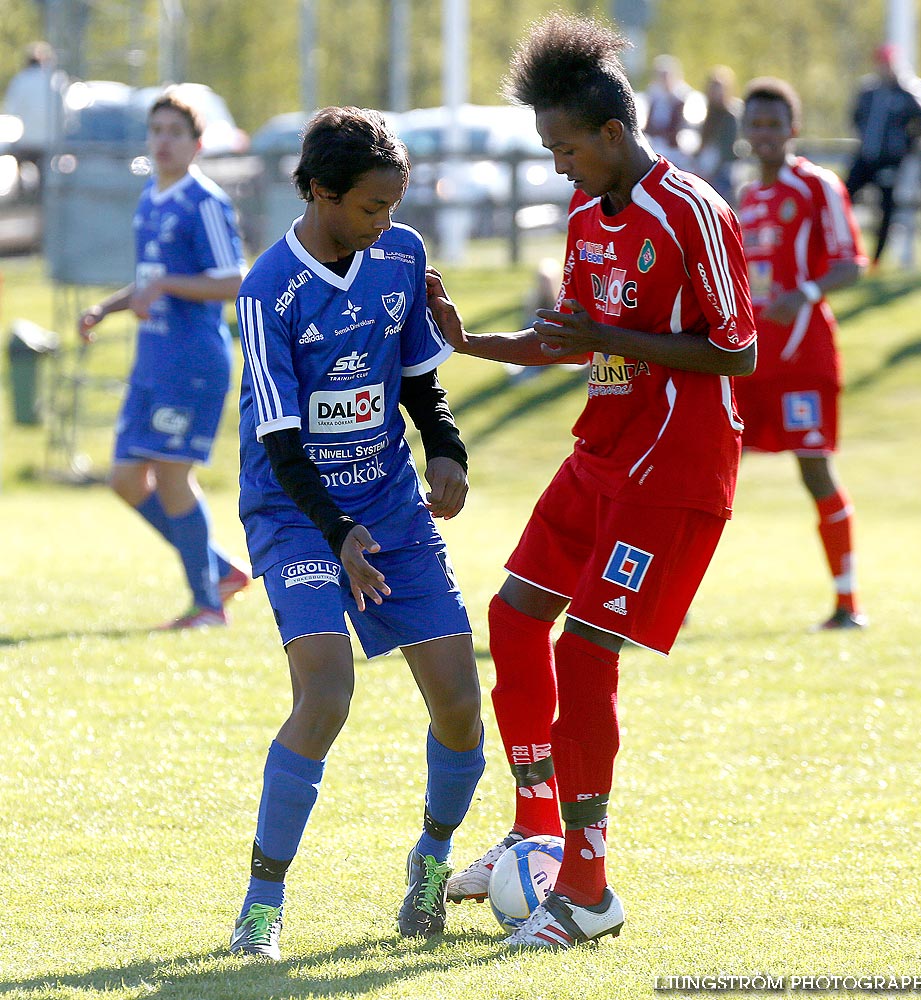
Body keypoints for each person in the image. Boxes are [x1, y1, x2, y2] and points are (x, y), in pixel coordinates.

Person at [426, 14, 756, 950]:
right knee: (514, 617)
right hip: (600, 451)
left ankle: (588, 888)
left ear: (611, 134)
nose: (557, 166)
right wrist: (474, 342)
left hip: (676, 469)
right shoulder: (583, 216)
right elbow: (575, 336)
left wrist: (609, 339)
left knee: (583, 652)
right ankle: (534, 830)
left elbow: (734, 351)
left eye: (564, 148)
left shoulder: (689, 209)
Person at [229, 106, 484, 960]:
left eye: (394, 205)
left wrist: (443, 447)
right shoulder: (268, 291)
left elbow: (417, 380)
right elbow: (279, 439)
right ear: (319, 193)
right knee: (326, 696)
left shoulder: (401, 256)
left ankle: (430, 860)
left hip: (388, 506)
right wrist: (334, 530)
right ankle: (261, 907)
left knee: (458, 705)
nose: (386, 223)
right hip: (295, 514)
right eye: (371, 208)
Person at [78, 89, 250, 629]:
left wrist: (168, 285)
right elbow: (152, 282)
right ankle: (218, 569)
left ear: (197, 144)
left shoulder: (205, 202)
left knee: (173, 476)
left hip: (192, 361)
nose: (163, 141)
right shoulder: (151, 198)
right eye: (157, 131)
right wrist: (107, 308)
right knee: (127, 480)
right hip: (152, 361)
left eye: (176, 132)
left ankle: (207, 606)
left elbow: (233, 281)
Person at [738, 77, 869, 630]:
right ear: (746, 131)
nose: (766, 134)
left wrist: (805, 294)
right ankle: (674, 604)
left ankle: (847, 602)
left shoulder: (818, 187)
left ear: (793, 129)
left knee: (815, 470)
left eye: (775, 124)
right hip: (745, 361)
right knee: (706, 471)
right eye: (757, 124)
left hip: (803, 358)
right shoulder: (743, 197)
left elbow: (851, 263)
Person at [845, 44, 921, 268]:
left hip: (890, 161)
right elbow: (856, 117)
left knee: (886, 209)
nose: (885, 68)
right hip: (865, 157)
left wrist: (906, 144)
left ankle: (875, 261)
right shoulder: (868, 90)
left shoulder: (909, 90)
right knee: (843, 196)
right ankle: (843, 251)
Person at [2, 40, 65, 186]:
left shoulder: (20, 80)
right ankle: (43, 196)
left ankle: (23, 194)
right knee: (45, 171)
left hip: (27, 140)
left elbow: (11, 110)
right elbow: (63, 113)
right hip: (51, 141)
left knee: (21, 161)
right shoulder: (55, 79)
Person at [694, 65, 743, 205]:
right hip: (707, 169)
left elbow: (726, 150)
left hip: (725, 172)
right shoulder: (708, 115)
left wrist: (710, 173)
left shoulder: (730, 116)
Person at [641, 53, 699, 166]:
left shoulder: (683, 99)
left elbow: (683, 128)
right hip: (656, 145)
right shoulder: (654, 99)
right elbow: (649, 125)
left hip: (676, 149)